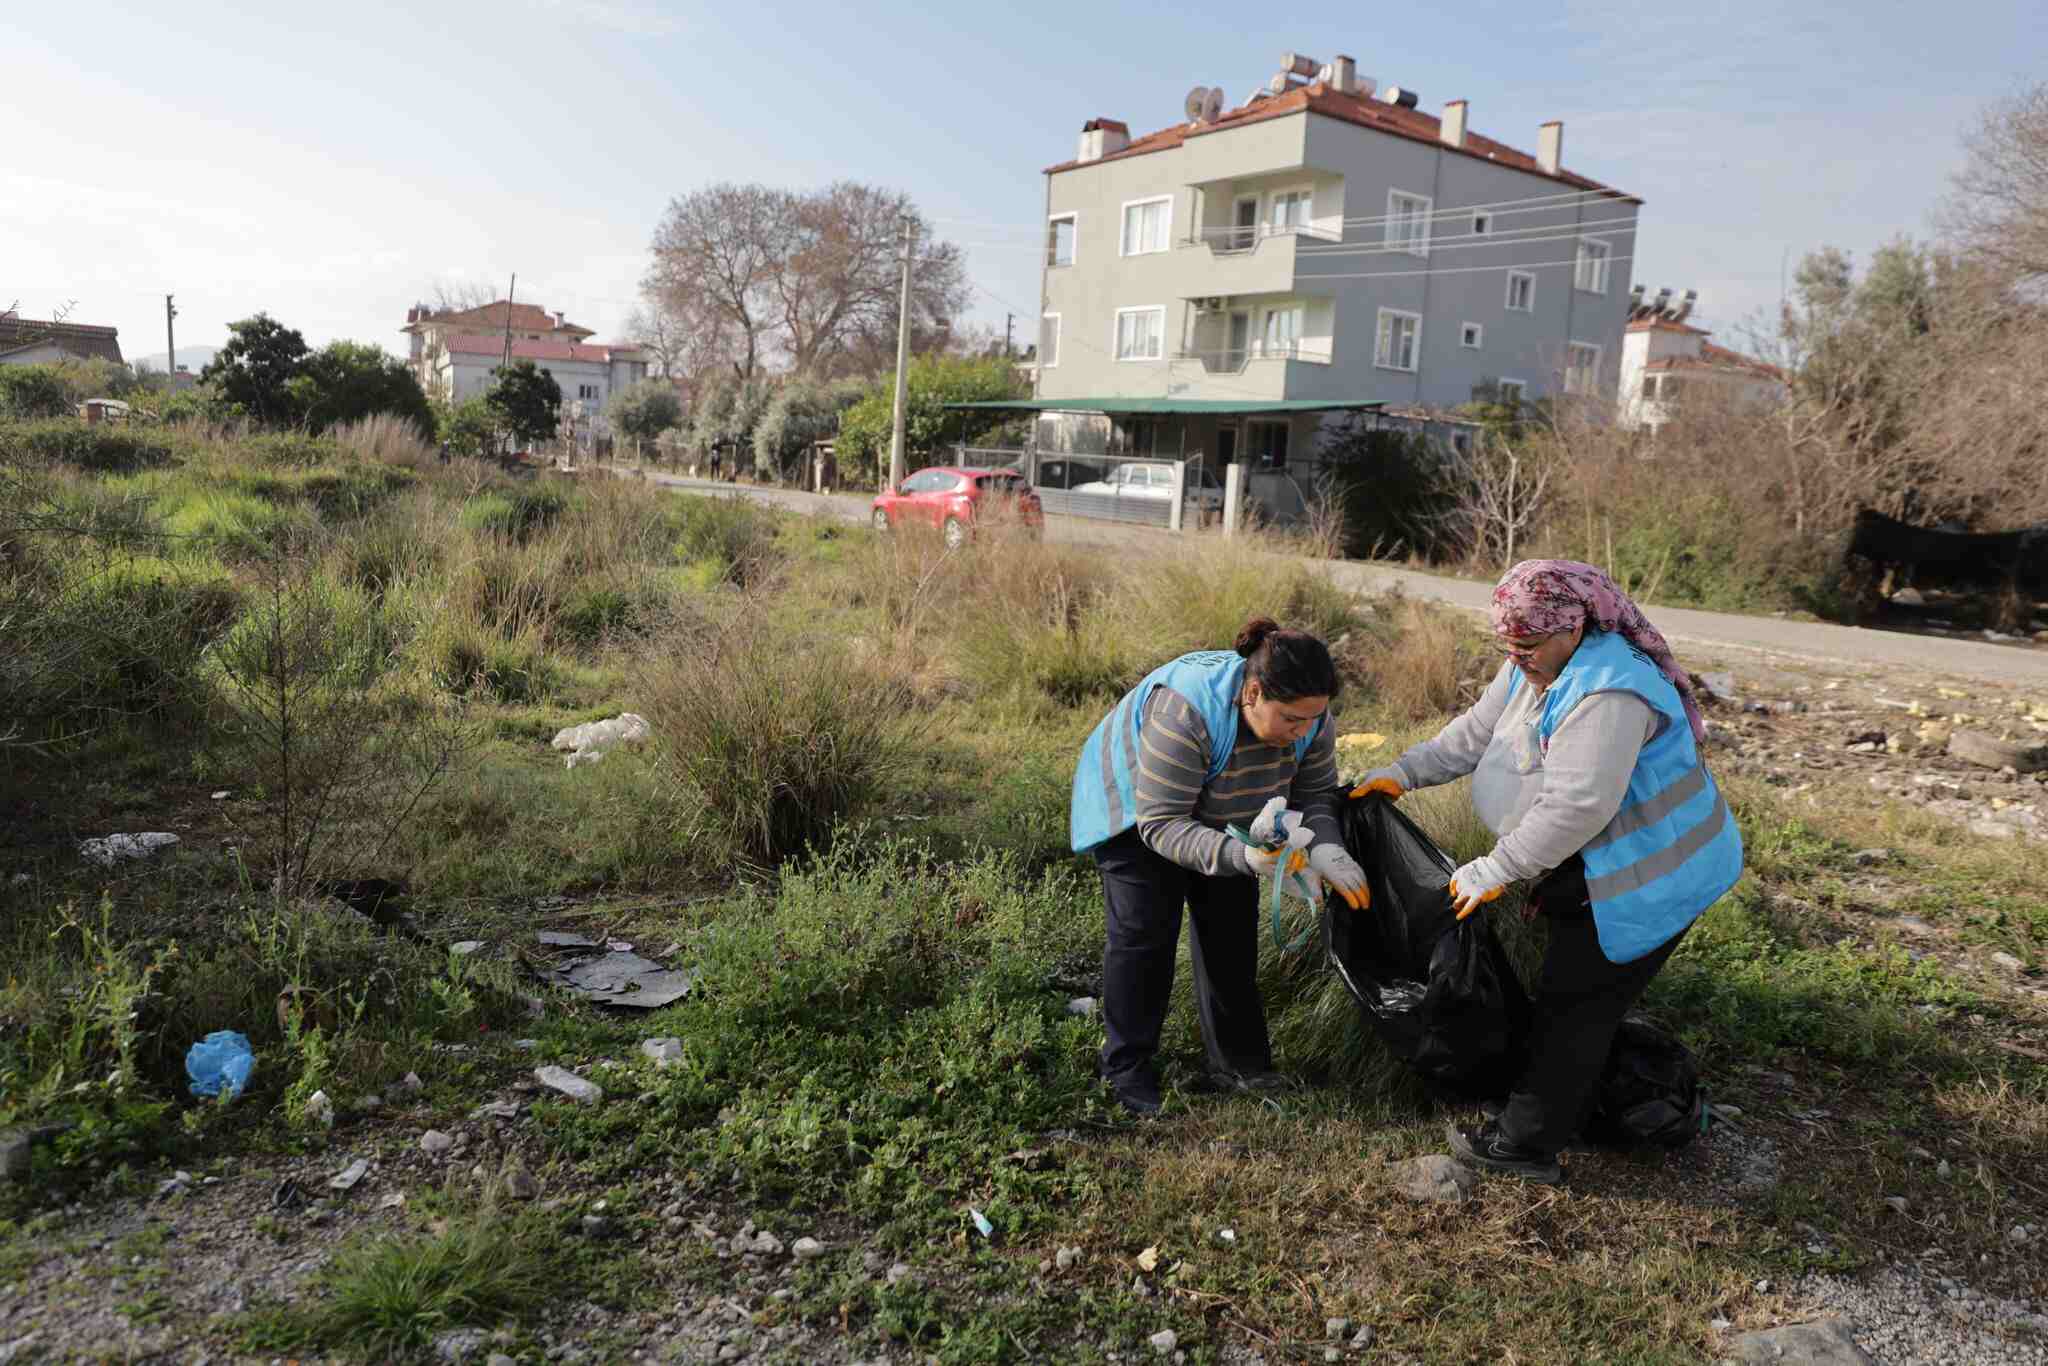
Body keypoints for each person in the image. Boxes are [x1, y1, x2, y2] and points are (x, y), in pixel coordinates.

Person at [1355, 560, 1743, 1183]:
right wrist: (1403, 773)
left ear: (1574, 627)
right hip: (1604, 860)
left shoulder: (1609, 694)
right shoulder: (1537, 665)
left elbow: (1578, 806)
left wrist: (1496, 869)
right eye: (1509, 645)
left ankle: (1524, 1145)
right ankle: (1571, 1089)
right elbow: (1476, 734)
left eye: (1529, 645)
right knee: (1576, 1001)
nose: (1518, 657)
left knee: (1575, 1006)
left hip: (1652, 877)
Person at [1071, 617, 1372, 1115]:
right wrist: (1245, 856)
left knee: (1230, 934)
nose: (1302, 732)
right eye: (1292, 721)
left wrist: (1326, 849)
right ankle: (1125, 1066)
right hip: (1137, 809)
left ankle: (1240, 1063)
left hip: (1228, 807)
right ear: (1252, 693)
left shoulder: (1310, 717)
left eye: (1312, 720)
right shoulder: (1187, 711)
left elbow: (1315, 793)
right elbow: (1163, 824)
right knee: (1145, 935)